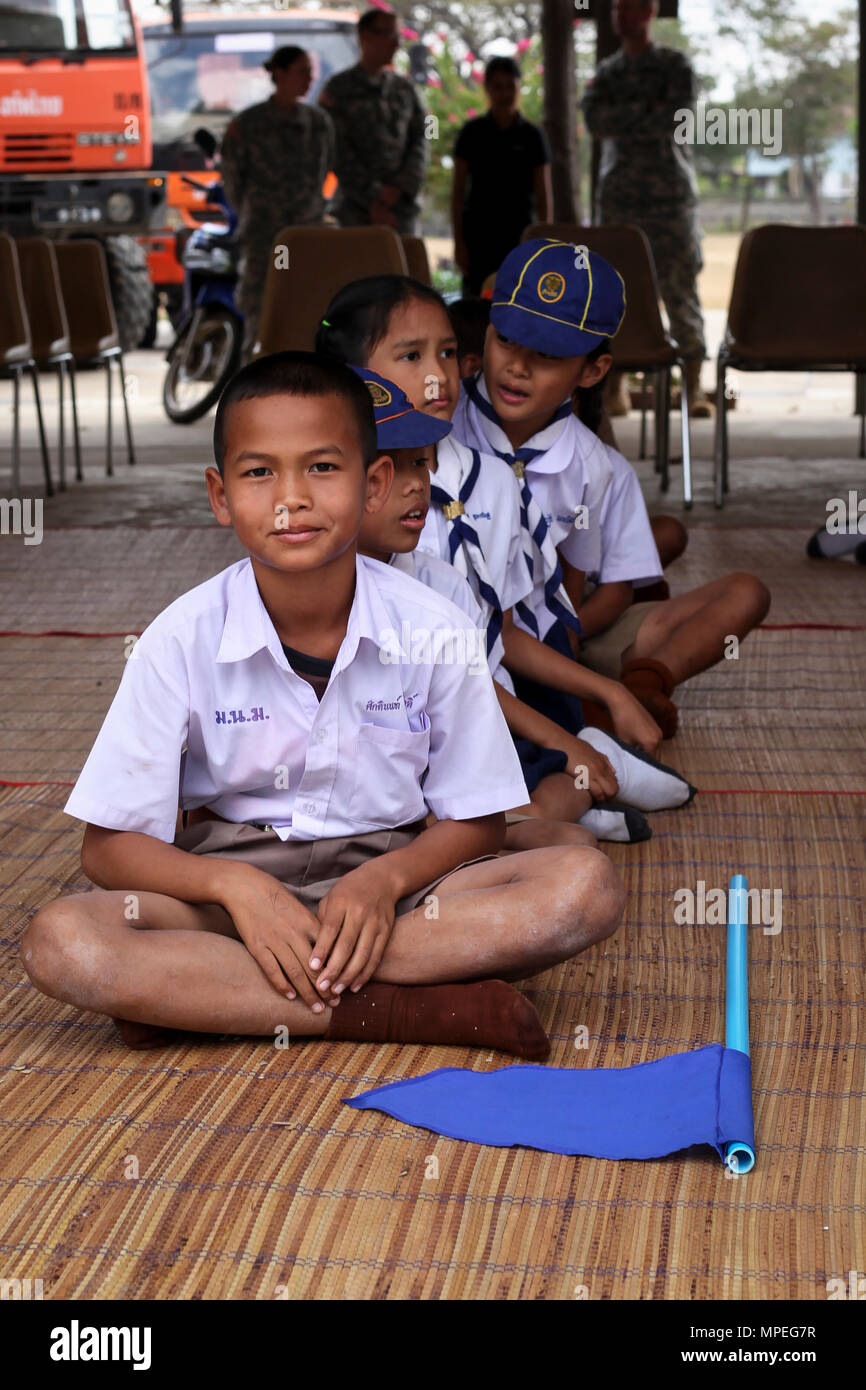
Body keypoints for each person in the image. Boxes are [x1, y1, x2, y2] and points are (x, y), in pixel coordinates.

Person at [21, 352, 627, 1059]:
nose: (290, 499)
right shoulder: (178, 639)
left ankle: (209, 997)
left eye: (322, 468)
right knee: (63, 941)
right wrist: (235, 888)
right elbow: (107, 847)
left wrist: (384, 881)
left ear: (373, 485)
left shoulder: (432, 628)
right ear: (219, 495)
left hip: (395, 886)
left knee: (584, 885)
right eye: (258, 473)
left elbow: (476, 823)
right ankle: (393, 1012)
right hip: (223, 897)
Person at [353, 363, 696, 844]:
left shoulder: (439, 588)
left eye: (418, 462)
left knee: (499, 822)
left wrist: (575, 729)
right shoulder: (283, 595)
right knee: (539, 837)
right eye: (382, 471)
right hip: (381, 782)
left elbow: (479, 681)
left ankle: (569, 790)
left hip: (456, 754)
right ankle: (560, 810)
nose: (416, 483)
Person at [453, 238, 771, 736]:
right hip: (454, 642)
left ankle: (644, 683)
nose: (517, 366)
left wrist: (567, 655)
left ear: (594, 370)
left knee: (746, 591)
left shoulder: (597, 468)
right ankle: (599, 706)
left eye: (548, 354)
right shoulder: (439, 428)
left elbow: (581, 588)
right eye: (506, 340)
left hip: (554, 637)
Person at [581, 0, 712, 418]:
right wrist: (647, 110)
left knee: (679, 289)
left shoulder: (675, 66)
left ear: (651, 10)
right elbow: (597, 123)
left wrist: (629, 115)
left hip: (669, 198)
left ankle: (693, 388)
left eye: (632, 5)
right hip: (620, 201)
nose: (622, 13)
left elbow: (676, 118)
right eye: (618, 6)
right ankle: (615, 386)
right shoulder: (607, 72)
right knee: (616, 295)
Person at [221, 46, 334, 360]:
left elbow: (323, 171)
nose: (310, 79)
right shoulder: (247, 124)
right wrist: (256, 212)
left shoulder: (318, 123)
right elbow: (232, 182)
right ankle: (252, 396)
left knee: (311, 315)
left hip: (307, 236)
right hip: (263, 238)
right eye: (302, 71)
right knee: (261, 318)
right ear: (279, 74)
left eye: (311, 72)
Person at [319, 9, 428, 235]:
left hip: (401, 212)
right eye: (390, 35)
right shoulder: (338, 90)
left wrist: (398, 188)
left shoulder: (406, 90)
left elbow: (425, 136)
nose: (397, 44)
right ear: (365, 37)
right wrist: (374, 197)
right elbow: (334, 148)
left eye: (398, 36)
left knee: (404, 270)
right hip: (355, 212)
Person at [451, 56, 552, 296]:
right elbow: (457, 192)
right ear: (487, 88)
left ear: (519, 87)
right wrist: (459, 243)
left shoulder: (532, 136)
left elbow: (543, 195)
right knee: (477, 311)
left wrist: (544, 244)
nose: (505, 92)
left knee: (520, 307)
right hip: (478, 237)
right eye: (498, 86)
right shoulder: (471, 133)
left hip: (520, 237)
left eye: (510, 85)